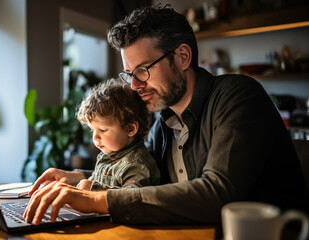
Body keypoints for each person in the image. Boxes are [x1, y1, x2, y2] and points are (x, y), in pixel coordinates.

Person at [23, 4, 308, 226]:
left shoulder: (238, 96)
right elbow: (143, 180)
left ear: (183, 57)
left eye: (143, 70)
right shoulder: (164, 124)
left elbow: (218, 193)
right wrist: (78, 179)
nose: (134, 86)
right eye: (129, 74)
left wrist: (97, 199)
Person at [75, 78, 160, 191]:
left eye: (103, 130)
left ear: (130, 129)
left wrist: (94, 189)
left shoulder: (137, 165)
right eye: (92, 130)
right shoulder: (109, 155)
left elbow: (132, 198)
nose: (95, 137)